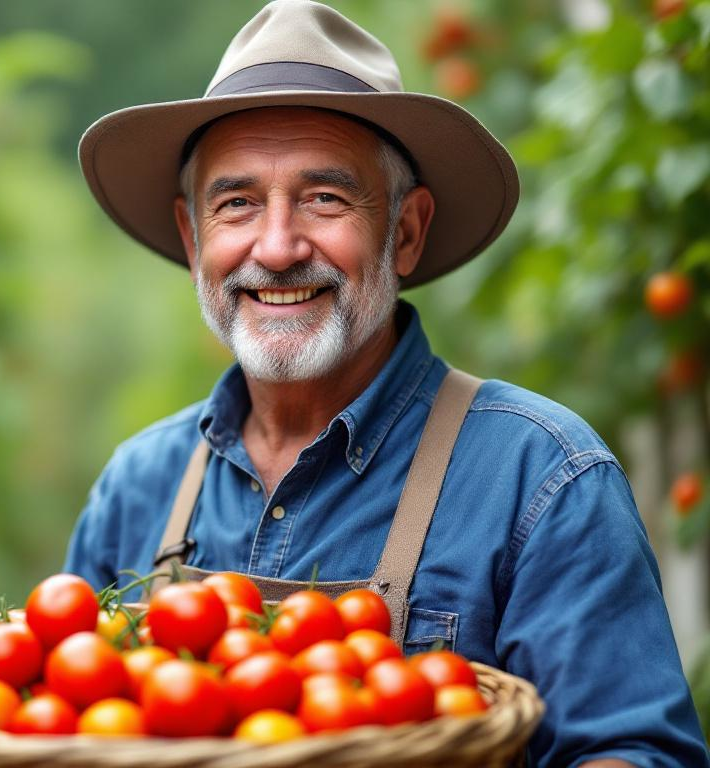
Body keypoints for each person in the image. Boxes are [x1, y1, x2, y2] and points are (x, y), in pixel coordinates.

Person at [64, 1, 710, 766]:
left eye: (325, 198)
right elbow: (47, 717)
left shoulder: (542, 479)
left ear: (405, 231)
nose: (274, 248)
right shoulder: (139, 486)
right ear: (191, 235)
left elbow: (632, 752)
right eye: (236, 203)